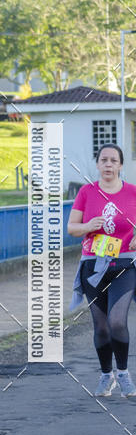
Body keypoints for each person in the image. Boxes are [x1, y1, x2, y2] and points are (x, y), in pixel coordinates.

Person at [68, 143, 136, 398]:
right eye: (103, 160)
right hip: (93, 265)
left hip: (124, 265)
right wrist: (87, 226)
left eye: (113, 160)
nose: (108, 164)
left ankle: (124, 374)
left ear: (120, 165)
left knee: (117, 321)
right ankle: (106, 375)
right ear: (97, 164)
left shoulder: (132, 192)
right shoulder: (87, 192)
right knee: (102, 327)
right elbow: (72, 228)